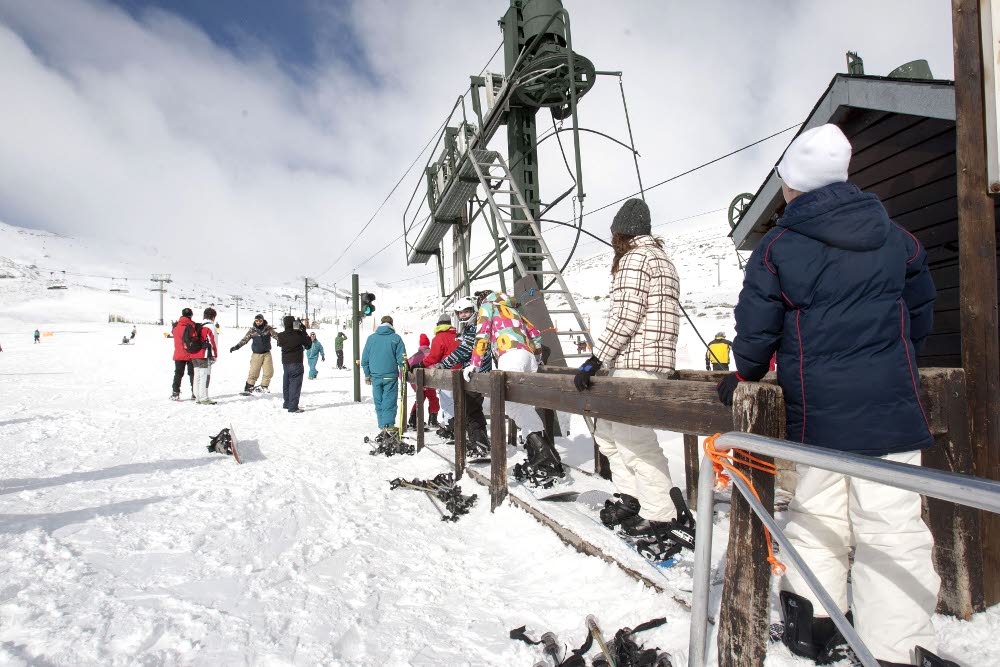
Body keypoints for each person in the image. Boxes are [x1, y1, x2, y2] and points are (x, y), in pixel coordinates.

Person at [719, 124, 942, 667]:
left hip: (816, 413)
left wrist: (742, 374)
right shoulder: (898, 238)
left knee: (819, 514)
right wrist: (890, 356)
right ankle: (898, 648)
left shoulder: (778, 249)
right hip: (891, 407)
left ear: (794, 186)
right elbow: (921, 314)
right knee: (892, 523)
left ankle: (813, 626)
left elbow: (755, 334)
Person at [573, 198, 681, 538]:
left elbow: (627, 315)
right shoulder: (661, 259)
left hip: (638, 363)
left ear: (623, 233)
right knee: (607, 433)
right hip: (641, 362)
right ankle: (633, 496)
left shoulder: (636, 259)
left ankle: (660, 514)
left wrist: (596, 359)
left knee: (634, 441)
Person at [464, 290, 560, 482]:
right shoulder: (512, 310)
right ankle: (541, 455)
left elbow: (481, 335)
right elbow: (535, 335)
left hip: (509, 354)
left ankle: (544, 453)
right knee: (524, 406)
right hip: (528, 356)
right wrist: (538, 359)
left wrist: (474, 363)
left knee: (511, 405)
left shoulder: (487, 307)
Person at [435, 298, 490, 450]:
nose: (463, 316)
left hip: (478, 373)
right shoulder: (470, 327)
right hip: (473, 373)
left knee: (472, 408)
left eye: (466, 312)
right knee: (469, 407)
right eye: (460, 313)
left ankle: (480, 444)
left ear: (473, 310)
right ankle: (476, 441)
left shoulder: (475, 328)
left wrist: (444, 364)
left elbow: (464, 351)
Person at [361, 315, 407, 437]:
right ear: (392, 324)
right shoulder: (396, 338)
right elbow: (402, 359)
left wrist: (367, 374)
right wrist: (404, 372)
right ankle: (388, 427)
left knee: (379, 401)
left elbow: (364, 359)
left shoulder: (371, 338)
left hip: (375, 377)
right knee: (389, 401)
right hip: (390, 376)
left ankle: (383, 426)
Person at [422, 313, 461, 434]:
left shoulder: (438, 338)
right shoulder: (458, 337)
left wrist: (421, 364)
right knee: (457, 400)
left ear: (438, 324)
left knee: (446, 400)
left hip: (446, 373)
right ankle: (457, 425)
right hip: (460, 373)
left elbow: (433, 357)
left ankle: (450, 427)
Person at [230, 314, 279, 395]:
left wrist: (282, 340)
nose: (258, 322)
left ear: (263, 321)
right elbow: (245, 340)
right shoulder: (252, 330)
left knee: (269, 371)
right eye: (256, 321)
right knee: (254, 372)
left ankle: (264, 386)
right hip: (256, 354)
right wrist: (237, 347)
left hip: (267, 353)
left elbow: (277, 336)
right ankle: (249, 388)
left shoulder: (268, 329)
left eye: (260, 321)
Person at [275, 315, 311, 413]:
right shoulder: (299, 335)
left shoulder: (281, 335)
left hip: (285, 363)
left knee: (287, 383)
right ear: (293, 323)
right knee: (295, 384)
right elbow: (308, 345)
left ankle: (287, 403)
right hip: (296, 362)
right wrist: (303, 330)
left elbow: (280, 343)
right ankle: (293, 407)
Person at [406, 333, 441, 429]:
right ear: (428, 343)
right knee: (433, 399)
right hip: (431, 382)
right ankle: (433, 419)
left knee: (419, 400)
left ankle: (413, 419)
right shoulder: (433, 354)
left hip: (418, 383)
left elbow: (407, 366)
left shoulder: (416, 356)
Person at [192, 307, 219, 405]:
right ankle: (204, 397)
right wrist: (215, 356)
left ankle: (197, 396)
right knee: (204, 376)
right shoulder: (211, 327)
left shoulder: (199, 326)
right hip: (204, 355)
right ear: (213, 316)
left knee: (197, 376)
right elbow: (213, 343)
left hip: (194, 354)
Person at [170, 308, 198, 400]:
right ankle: (194, 393)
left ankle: (175, 392)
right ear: (191, 315)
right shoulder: (192, 325)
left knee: (178, 373)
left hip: (178, 353)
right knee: (192, 374)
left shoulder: (175, 325)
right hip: (190, 354)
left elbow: (174, 334)